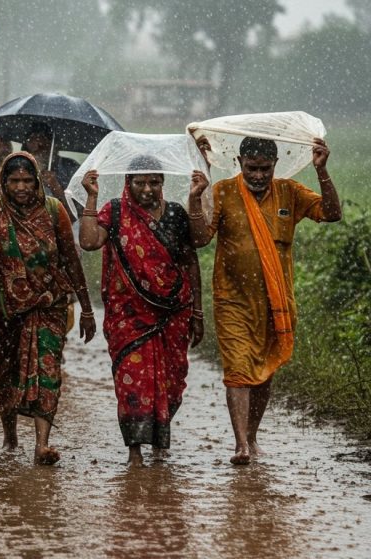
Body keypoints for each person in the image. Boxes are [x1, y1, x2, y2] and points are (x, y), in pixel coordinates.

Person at [188, 136, 341, 465]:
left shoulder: (290, 192)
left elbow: (331, 213)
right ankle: (241, 444)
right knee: (239, 371)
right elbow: (200, 238)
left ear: (275, 165)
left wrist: (322, 170)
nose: (257, 175)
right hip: (233, 301)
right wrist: (195, 198)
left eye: (264, 169)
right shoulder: (224, 192)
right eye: (251, 168)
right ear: (240, 162)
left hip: (276, 301)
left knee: (265, 370)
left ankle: (253, 434)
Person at [0, 152, 96, 465]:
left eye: (27, 180)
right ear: (4, 182)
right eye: (14, 181)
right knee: (4, 374)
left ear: (37, 180)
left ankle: (41, 444)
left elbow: (70, 259)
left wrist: (88, 310)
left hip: (47, 306)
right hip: (2, 311)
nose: (21, 187)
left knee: (47, 369)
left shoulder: (54, 211)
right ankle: (10, 435)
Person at [78, 157, 205, 466]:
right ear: (128, 184)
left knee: (171, 381)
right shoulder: (116, 211)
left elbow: (192, 258)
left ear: (162, 183)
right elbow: (89, 241)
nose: (147, 189)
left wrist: (198, 311)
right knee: (132, 380)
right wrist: (91, 198)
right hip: (129, 316)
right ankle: (135, 450)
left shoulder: (175, 213)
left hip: (174, 313)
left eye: (154, 182)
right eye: (140, 183)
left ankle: (161, 444)